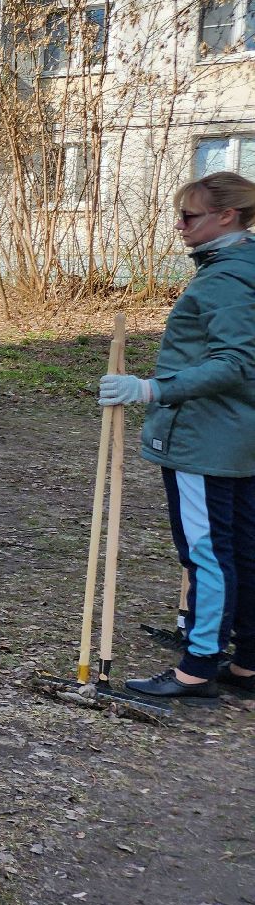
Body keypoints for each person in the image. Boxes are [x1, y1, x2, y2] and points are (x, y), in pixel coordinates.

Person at [104, 172, 255, 699]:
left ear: (226, 217)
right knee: (239, 546)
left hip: (206, 437)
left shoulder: (225, 279)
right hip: (233, 432)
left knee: (208, 552)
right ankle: (246, 662)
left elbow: (234, 362)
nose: (180, 225)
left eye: (190, 216)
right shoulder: (242, 267)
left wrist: (152, 389)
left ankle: (198, 665)